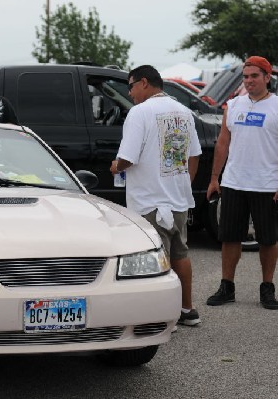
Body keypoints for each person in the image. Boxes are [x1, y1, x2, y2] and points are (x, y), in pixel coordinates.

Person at [110, 65, 202, 327]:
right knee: (180, 253)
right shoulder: (184, 112)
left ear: (143, 83)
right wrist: (185, 183)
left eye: (130, 86)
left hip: (149, 199)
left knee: (154, 259)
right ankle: (187, 309)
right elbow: (194, 154)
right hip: (177, 199)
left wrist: (115, 166)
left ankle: (163, 318)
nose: (129, 93)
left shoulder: (139, 112)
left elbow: (127, 158)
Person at [206, 56, 278, 310]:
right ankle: (227, 287)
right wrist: (215, 178)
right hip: (234, 182)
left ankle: (267, 288)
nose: (248, 81)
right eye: (245, 77)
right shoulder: (234, 105)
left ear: (267, 78)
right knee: (229, 237)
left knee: (268, 239)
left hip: (266, 184)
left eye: (254, 76)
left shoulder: (276, 107)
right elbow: (223, 143)